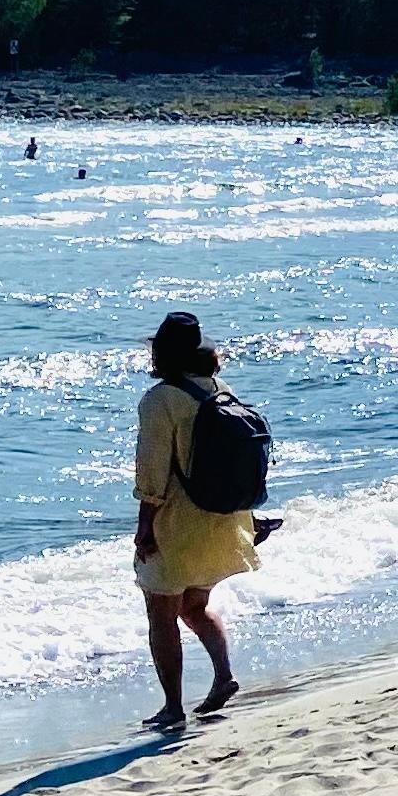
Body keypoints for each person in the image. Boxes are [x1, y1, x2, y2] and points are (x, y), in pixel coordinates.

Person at [133, 310, 262, 729]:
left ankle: (172, 707)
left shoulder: (159, 401)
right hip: (224, 518)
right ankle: (224, 675)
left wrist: (145, 527)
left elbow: (152, 473)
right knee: (194, 605)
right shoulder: (220, 389)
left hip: (177, 522)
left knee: (161, 613)